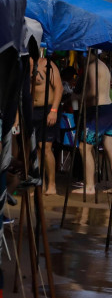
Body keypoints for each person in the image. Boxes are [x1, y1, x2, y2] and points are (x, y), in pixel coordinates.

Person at [81, 52, 112, 196]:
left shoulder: (92, 67)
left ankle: (90, 186)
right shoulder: (103, 65)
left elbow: (93, 93)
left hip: (99, 111)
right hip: (109, 109)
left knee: (84, 147)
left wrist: (80, 98)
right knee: (111, 149)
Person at [30, 52, 62, 195]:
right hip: (32, 111)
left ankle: (52, 185)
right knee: (36, 148)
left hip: (48, 110)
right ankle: (39, 183)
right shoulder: (24, 67)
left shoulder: (46, 65)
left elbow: (59, 87)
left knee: (45, 147)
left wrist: (54, 110)